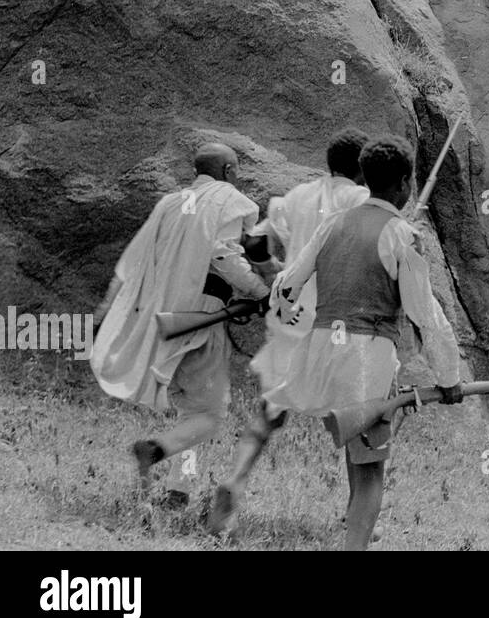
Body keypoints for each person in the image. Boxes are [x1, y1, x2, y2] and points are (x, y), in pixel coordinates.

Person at [219, 135, 462, 550]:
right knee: (369, 474)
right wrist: (450, 377)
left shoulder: (335, 223)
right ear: (404, 183)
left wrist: (285, 309)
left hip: (316, 351)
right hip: (367, 359)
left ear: (366, 178)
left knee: (334, 439)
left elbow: (286, 283)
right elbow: (428, 317)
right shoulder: (401, 235)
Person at [90, 143, 275, 507]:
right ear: (227, 171)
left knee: (191, 413)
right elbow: (224, 255)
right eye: (235, 170)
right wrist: (261, 291)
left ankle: (179, 491)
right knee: (208, 415)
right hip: (201, 313)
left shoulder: (169, 203)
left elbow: (132, 261)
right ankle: (156, 449)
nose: (236, 177)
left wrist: (108, 308)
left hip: (160, 318)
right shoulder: (231, 198)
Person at [207, 128, 370, 535]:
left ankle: (234, 480)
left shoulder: (297, 196)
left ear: (330, 164)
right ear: (363, 170)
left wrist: (273, 273)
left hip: (290, 314)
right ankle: (356, 514)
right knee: (353, 419)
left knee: (269, 411)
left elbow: (254, 241)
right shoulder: (363, 201)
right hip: (337, 322)